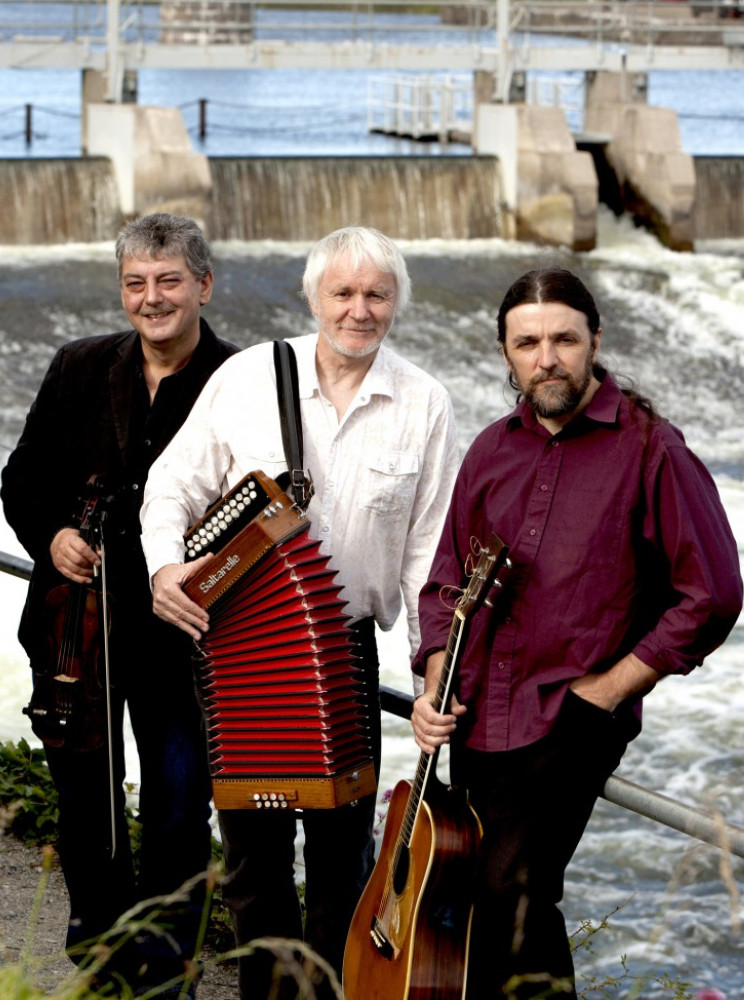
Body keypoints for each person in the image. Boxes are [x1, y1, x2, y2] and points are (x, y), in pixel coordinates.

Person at [140, 225, 460, 1000]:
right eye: (342, 293)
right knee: (252, 861)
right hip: (240, 645)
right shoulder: (249, 377)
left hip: (346, 650)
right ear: (314, 298)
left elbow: (430, 555)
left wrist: (432, 675)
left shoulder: (425, 402)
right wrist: (162, 570)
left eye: (376, 295)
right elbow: (171, 483)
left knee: (343, 861)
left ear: (397, 304)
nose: (359, 310)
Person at [411, 266, 744, 1000]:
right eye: (527, 342)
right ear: (506, 353)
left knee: (512, 893)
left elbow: (712, 594)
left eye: (564, 338)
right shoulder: (492, 451)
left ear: (596, 340)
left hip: (570, 716)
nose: (547, 358)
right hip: (476, 717)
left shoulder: (654, 450)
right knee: (480, 901)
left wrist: (613, 686)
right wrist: (436, 668)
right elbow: (441, 583)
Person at [1, 214, 240, 997]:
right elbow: (22, 480)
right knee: (84, 807)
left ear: (203, 285)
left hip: (184, 642)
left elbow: (263, 507)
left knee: (176, 811)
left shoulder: (241, 382)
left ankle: (168, 966)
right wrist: (56, 535)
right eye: (136, 282)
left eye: (169, 280)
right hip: (80, 634)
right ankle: (100, 953)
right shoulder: (77, 366)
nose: (152, 297)